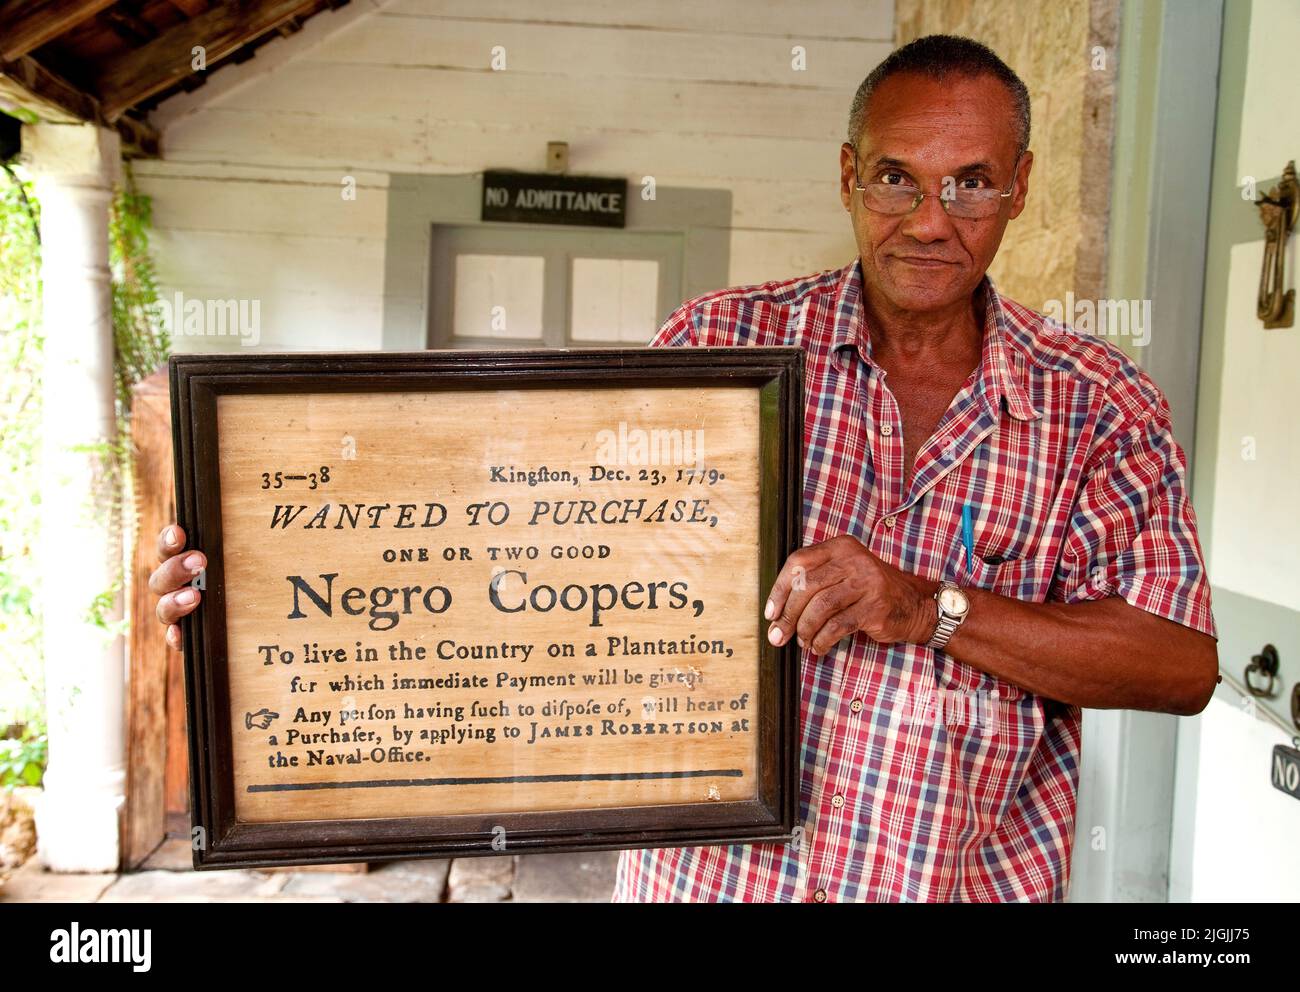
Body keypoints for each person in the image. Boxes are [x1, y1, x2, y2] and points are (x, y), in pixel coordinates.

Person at [150, 34, 1219, 903]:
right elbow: (531, 565)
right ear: (849, 174)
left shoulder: (1096, 402)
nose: (930, 219)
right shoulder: (720, 345)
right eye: (896, 176)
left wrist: (927, 604)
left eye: (970, 183)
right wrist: (257, 590)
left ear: (1022, 187)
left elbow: (1179, 665)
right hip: (711, 886)